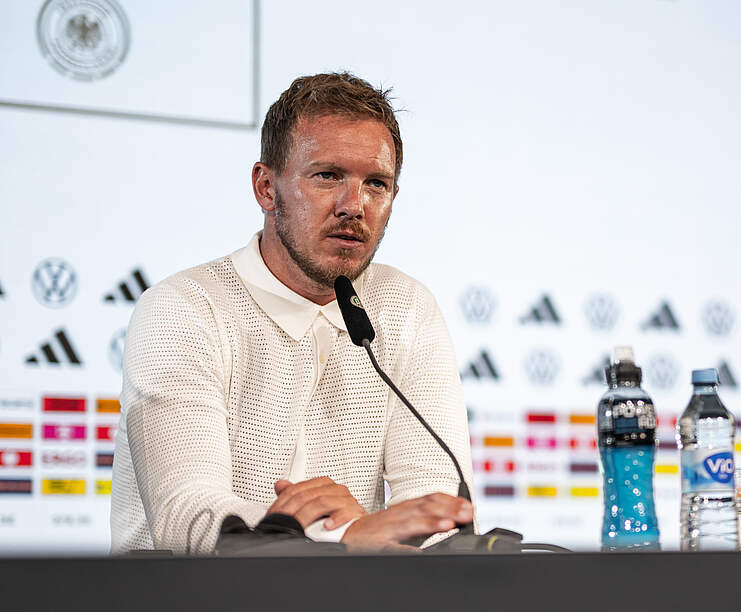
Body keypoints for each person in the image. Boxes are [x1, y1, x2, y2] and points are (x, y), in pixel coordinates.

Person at [111, 73, 475, 553]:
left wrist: (370, 540)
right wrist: (348, 536)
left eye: (376, 184)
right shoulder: (183, 310)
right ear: (266, 187)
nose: (354, 205)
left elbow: (440, 517)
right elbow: (189, 519)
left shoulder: (406, 308)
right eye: (327, 176)